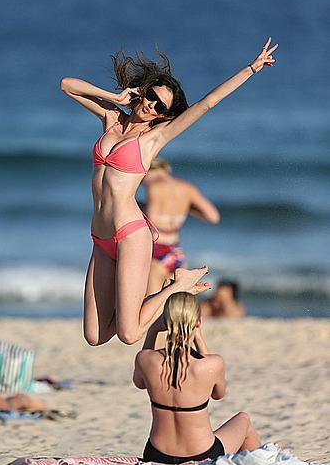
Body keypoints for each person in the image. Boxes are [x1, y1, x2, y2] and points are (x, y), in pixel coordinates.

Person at [60, 37, 278, 346]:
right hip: (100, 238)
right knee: (95, 336)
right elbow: (66, 84)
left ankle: (175, 287)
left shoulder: (154, 139)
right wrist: (115, 96)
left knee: (129, 333)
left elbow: (207, 103)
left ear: (164, 115)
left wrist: (251, 69)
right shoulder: (110, 118)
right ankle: (170, 291)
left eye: (160, 106)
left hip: (130, 234)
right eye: (150, 95)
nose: (151, 105)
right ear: (142, 91)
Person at [133, 292, 261, 464]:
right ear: (198, 322)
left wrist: (153, 330)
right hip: (202, 453)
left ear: (166, 321)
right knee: (243, 420)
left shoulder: (144, 359)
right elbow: (218, 394)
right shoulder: (212, 364)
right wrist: (200, 340)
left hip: (156, 453)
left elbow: (139, 382)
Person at [142, 157, 220, 294]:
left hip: (157, 248)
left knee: (153, 301)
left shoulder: (154, 186)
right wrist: (187, 208)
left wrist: (137, 206)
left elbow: (151, 220)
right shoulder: (186, 187)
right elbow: (213, 216)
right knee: (175, 301)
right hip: (176, 250)